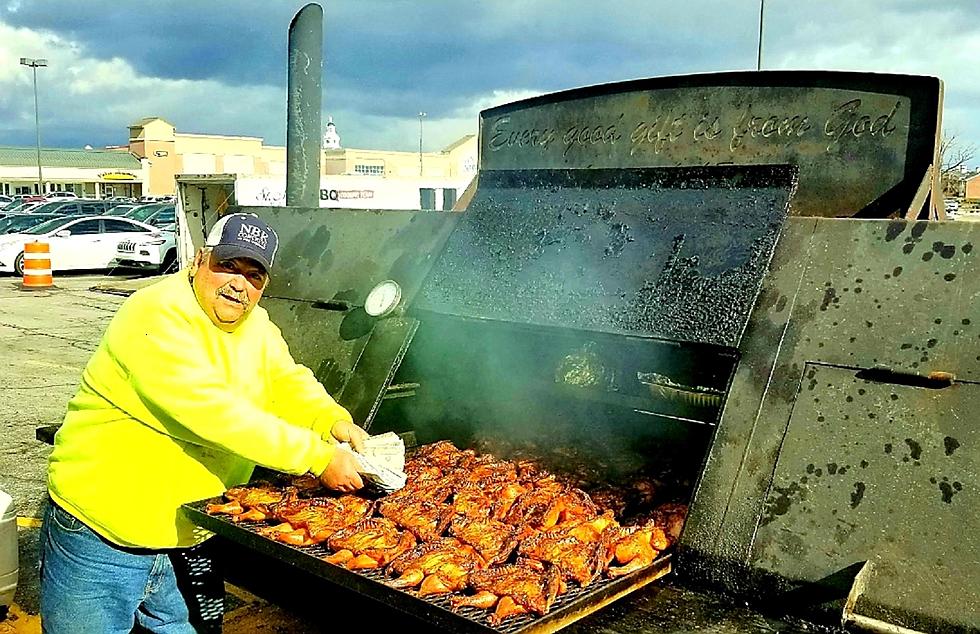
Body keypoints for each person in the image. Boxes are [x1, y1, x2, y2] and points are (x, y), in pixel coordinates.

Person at [41, 212, 368, 633]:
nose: (239, 283)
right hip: (105, 533)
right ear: (199, 260)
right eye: (228, 266)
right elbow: (210, 410)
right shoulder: (154, 313)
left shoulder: (257, 326)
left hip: (189, 530)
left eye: (254, 275)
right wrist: (316, 456)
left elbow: (287, 381)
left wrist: (330, 421)